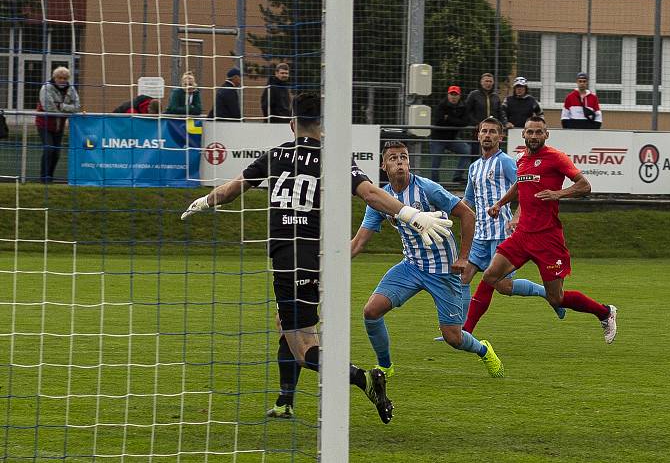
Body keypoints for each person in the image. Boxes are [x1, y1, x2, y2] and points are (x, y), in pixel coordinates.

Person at [181, 93, 453, 423]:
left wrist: (204, 201)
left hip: (287, 258)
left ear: (292, 123)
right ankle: (285, 401)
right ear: (322, 125)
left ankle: (364, 379)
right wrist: (410, 213)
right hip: (313, 256)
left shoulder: (275, 154)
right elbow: (370, 193)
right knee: (286, 325)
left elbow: (231, 190)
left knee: (304, 346)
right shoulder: (333, 155)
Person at [350, 140, 505, 381]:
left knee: (453, 337)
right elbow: (358, 243)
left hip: (444, 270)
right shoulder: (381, 199)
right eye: (393, 158)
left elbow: (468, 214)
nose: (399, 162)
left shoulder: (427, 188)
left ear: (409, 162)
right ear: (383, 165)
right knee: (371, 311)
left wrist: (464, 258)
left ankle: (483, 349)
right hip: (411, 267)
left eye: (403, 157)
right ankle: (386, 366)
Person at [482, 116, 618, 344]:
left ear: (546, 135)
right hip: (523, 235)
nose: (533, 136)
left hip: (548, 238)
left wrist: (558, 193)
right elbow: (520, 185)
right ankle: (465, 332)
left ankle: (605, 312)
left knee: (556, 298)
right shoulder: (522, 159)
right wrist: (500, 203)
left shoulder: (556, 157)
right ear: (523, 134)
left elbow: (585, 185)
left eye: (538, 132)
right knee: (490, 276)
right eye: (530, 132)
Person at [458, 117, 564, 337]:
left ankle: (548, 294)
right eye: (484, 131)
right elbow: (468, 200)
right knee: (462, 278)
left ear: (500, 137)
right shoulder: (474, 167)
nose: (487, 135)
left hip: (501, 234)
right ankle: (458, 330)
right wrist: (446, 213)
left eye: (492, 132)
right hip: (479, 235)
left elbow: (526, 189)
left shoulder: (506, 162)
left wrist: (517, 216)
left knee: (503, 286)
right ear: (477, 135)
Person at [35, 66, 81, 183]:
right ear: (54, 77)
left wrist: (61, 106)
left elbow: (77, 107)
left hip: (59, 126)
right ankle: (44, 178)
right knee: (49, 149)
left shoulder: (71, 89)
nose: (62, 80)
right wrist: (65, 109)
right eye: (59, 78)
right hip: (44, 124)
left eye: (65, 78)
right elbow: (48, 107)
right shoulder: (46, 88)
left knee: (56, 153)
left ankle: (50, 177)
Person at [430, 85, 471, 183]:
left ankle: (457, 176)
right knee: (435, 163)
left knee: (467, 151)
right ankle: (434, 184)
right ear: (448, 95)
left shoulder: (463, 106)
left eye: (455, 94)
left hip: (452, 138)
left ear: (459, 96)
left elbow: (465, 122)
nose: (453, 97)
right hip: (438, 139)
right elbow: (438, 121)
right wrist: (456, 121)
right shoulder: (441, 105)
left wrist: (448, 118)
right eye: (451, 94)